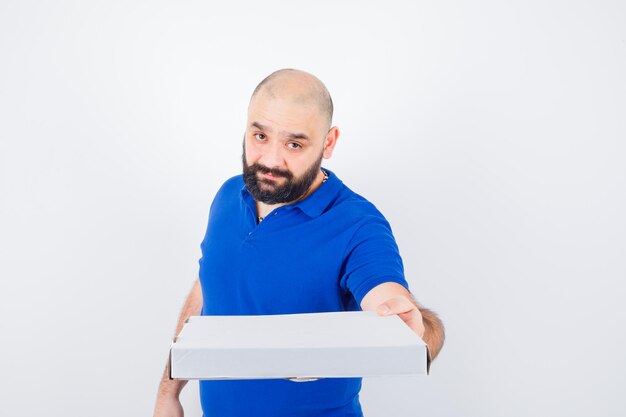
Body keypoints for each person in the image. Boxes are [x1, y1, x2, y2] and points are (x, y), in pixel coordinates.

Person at [153, 68, 445, 417]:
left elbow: (393, 301)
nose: (271, 160)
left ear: (328, 142)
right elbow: (207, 291)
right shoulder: (229, 196)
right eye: (260, 136)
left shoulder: (357, 224)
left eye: (294, 144)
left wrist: (414, 328)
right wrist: (168, 394)